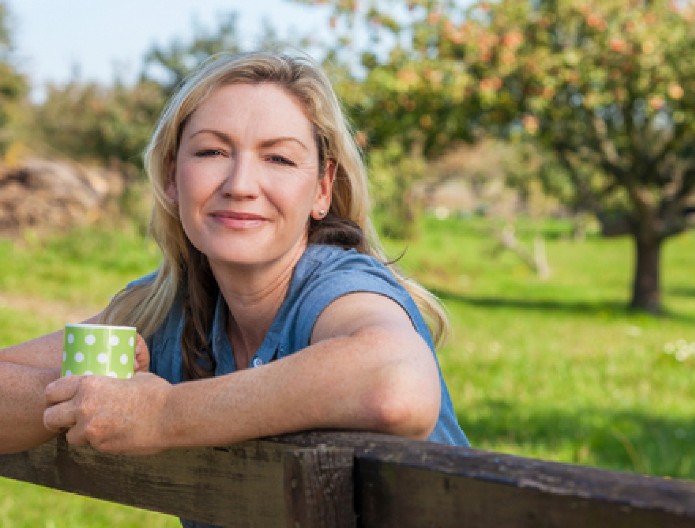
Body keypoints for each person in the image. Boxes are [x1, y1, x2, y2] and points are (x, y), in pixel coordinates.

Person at [0, 50, 468, 466]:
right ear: (172, 177)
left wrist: (162, 415)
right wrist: (90, 397)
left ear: (322, 189)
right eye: (212, 151)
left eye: (279, 159)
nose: (240, 184)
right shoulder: (166, 313)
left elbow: (396, 385)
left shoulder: (337, 289)